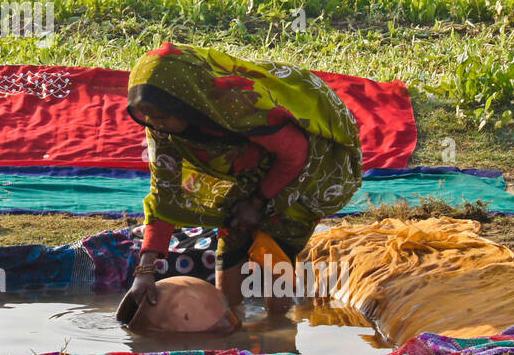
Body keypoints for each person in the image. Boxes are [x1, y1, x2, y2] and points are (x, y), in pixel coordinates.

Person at [123, 42, 361, 311]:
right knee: (233, 236)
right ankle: (231, 324)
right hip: (248, 168)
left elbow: (295, 154)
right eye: (148, 117)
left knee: (278, 244)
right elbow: (164, 195)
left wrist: (258, 202)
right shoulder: (162, 125)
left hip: (305, 162)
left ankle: (279, 330)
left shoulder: (241, 104)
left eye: (162, 116)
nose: (156, 124)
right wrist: (144, 273)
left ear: (186, 104)